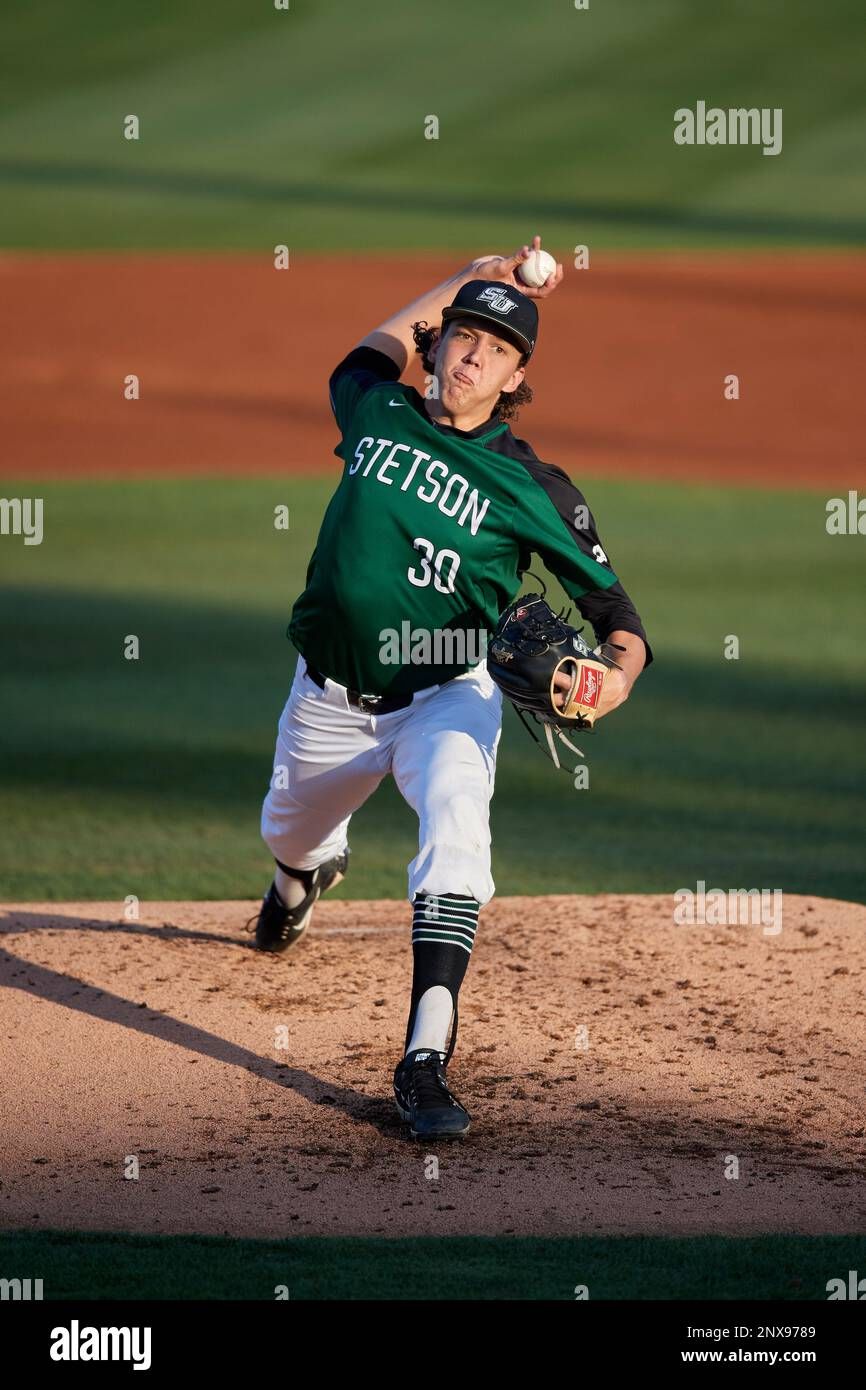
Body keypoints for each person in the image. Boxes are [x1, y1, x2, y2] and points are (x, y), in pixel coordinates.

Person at [252, 236, 652, 1138]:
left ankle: (424, 1058)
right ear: (436, 347)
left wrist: (614, 680)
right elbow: (364, 352)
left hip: (447, 694)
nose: (474, 358)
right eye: (463, 338)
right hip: (329, 700)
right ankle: (298, 883)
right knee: (289, 831)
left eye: (497, 351)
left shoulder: (531, 486)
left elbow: (621, 617)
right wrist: (468, 278)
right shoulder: (377, 411)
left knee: (458, 836)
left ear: (515, 379)